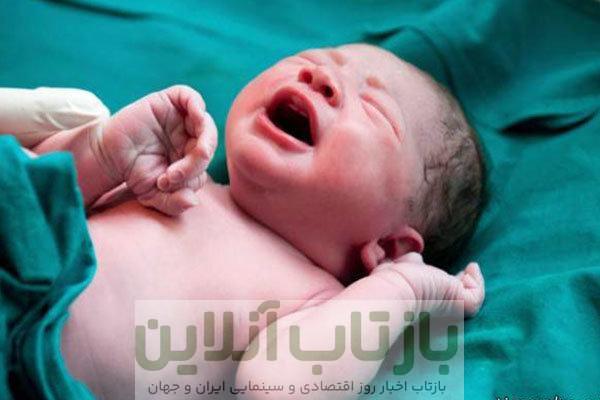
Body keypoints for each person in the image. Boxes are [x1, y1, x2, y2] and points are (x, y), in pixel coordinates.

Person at [3, 43, 485, 399]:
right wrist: (102, 155)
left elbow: (274, 388)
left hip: (26, 360)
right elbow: (37, 203)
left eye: (375, 109)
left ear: (390, 248)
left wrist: (398, 291)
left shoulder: (315, 301)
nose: (320, 77)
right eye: (315, 58)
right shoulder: (174, 180)